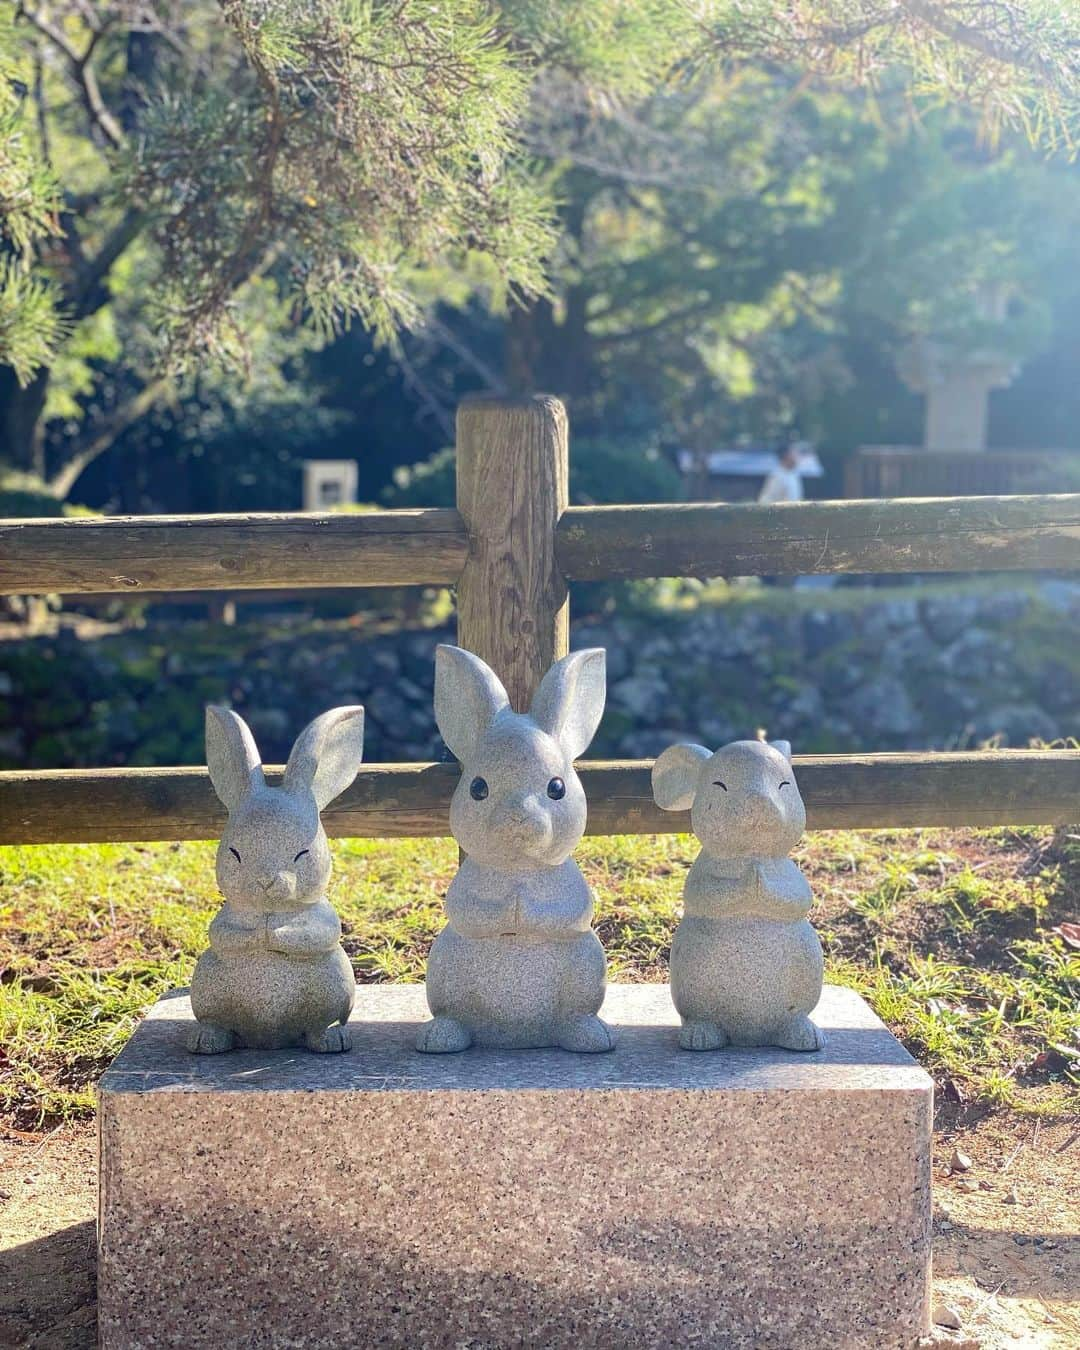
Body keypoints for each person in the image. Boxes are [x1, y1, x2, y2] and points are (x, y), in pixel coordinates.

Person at [757, 440, 805, 506]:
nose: (798, 455)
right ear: (787, 455)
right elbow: (764, 501)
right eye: (794, 452)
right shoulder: (777, 476)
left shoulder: (794, 475)